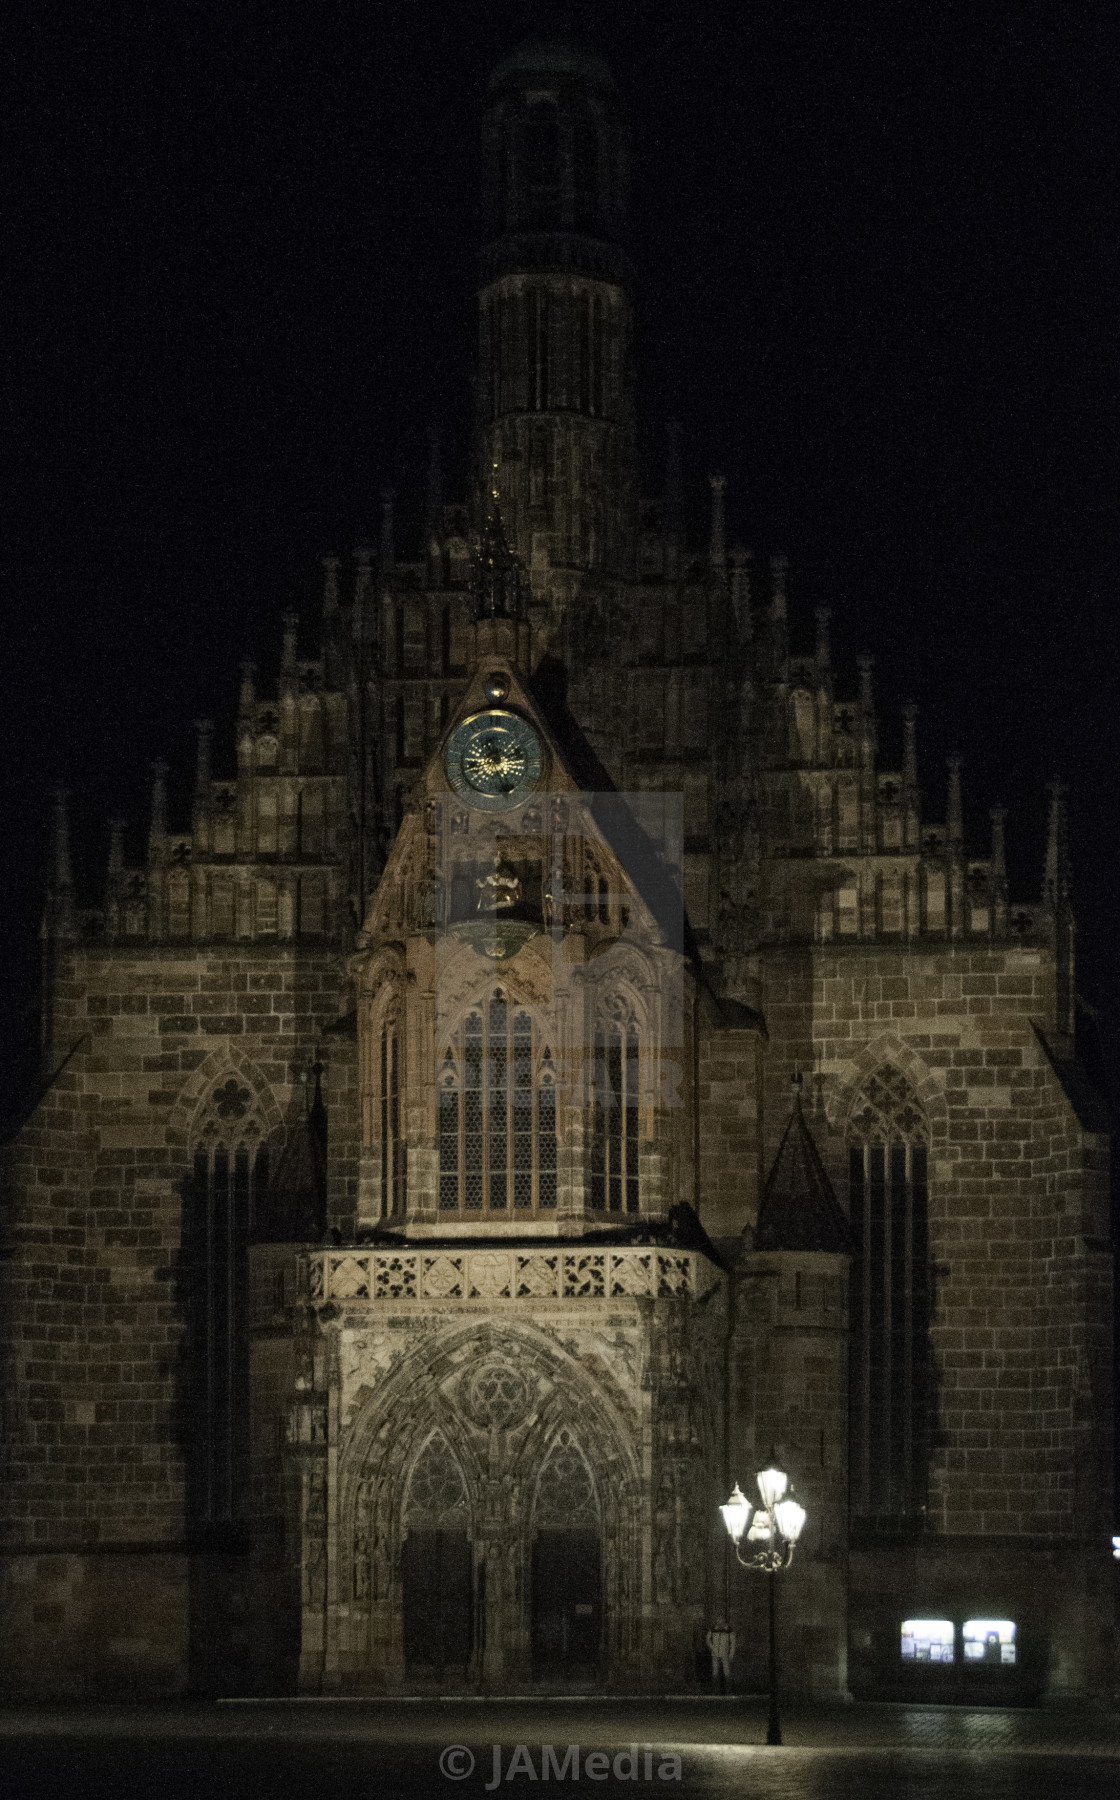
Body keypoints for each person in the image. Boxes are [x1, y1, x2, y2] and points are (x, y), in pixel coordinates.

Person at [707, 1618, 735, 1692]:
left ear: (724, 1621)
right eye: (718, 1620)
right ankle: (715, 1691)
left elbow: (733, 1642)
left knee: (727, 1673)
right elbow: (708, 1639)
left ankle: (728, 1691)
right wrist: (713, 1648)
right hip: (715, 1654)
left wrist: (731, 1654)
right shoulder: (713, 1628)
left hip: (725, 1654)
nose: (720, 1622)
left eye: (721, 1620)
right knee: (715, 1673)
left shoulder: (729, 1629)